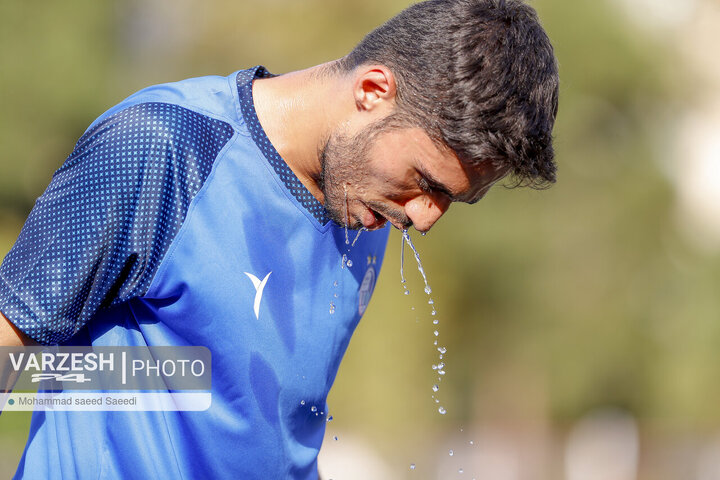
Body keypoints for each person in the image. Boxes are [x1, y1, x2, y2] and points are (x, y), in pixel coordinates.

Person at [0, 0, 558, 478]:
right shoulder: (161, 147)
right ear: (372, 90)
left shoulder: (366, 204)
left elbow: (275, 424)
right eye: (428, 183)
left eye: (452, 201)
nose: (426, 217)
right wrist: (139, 380)